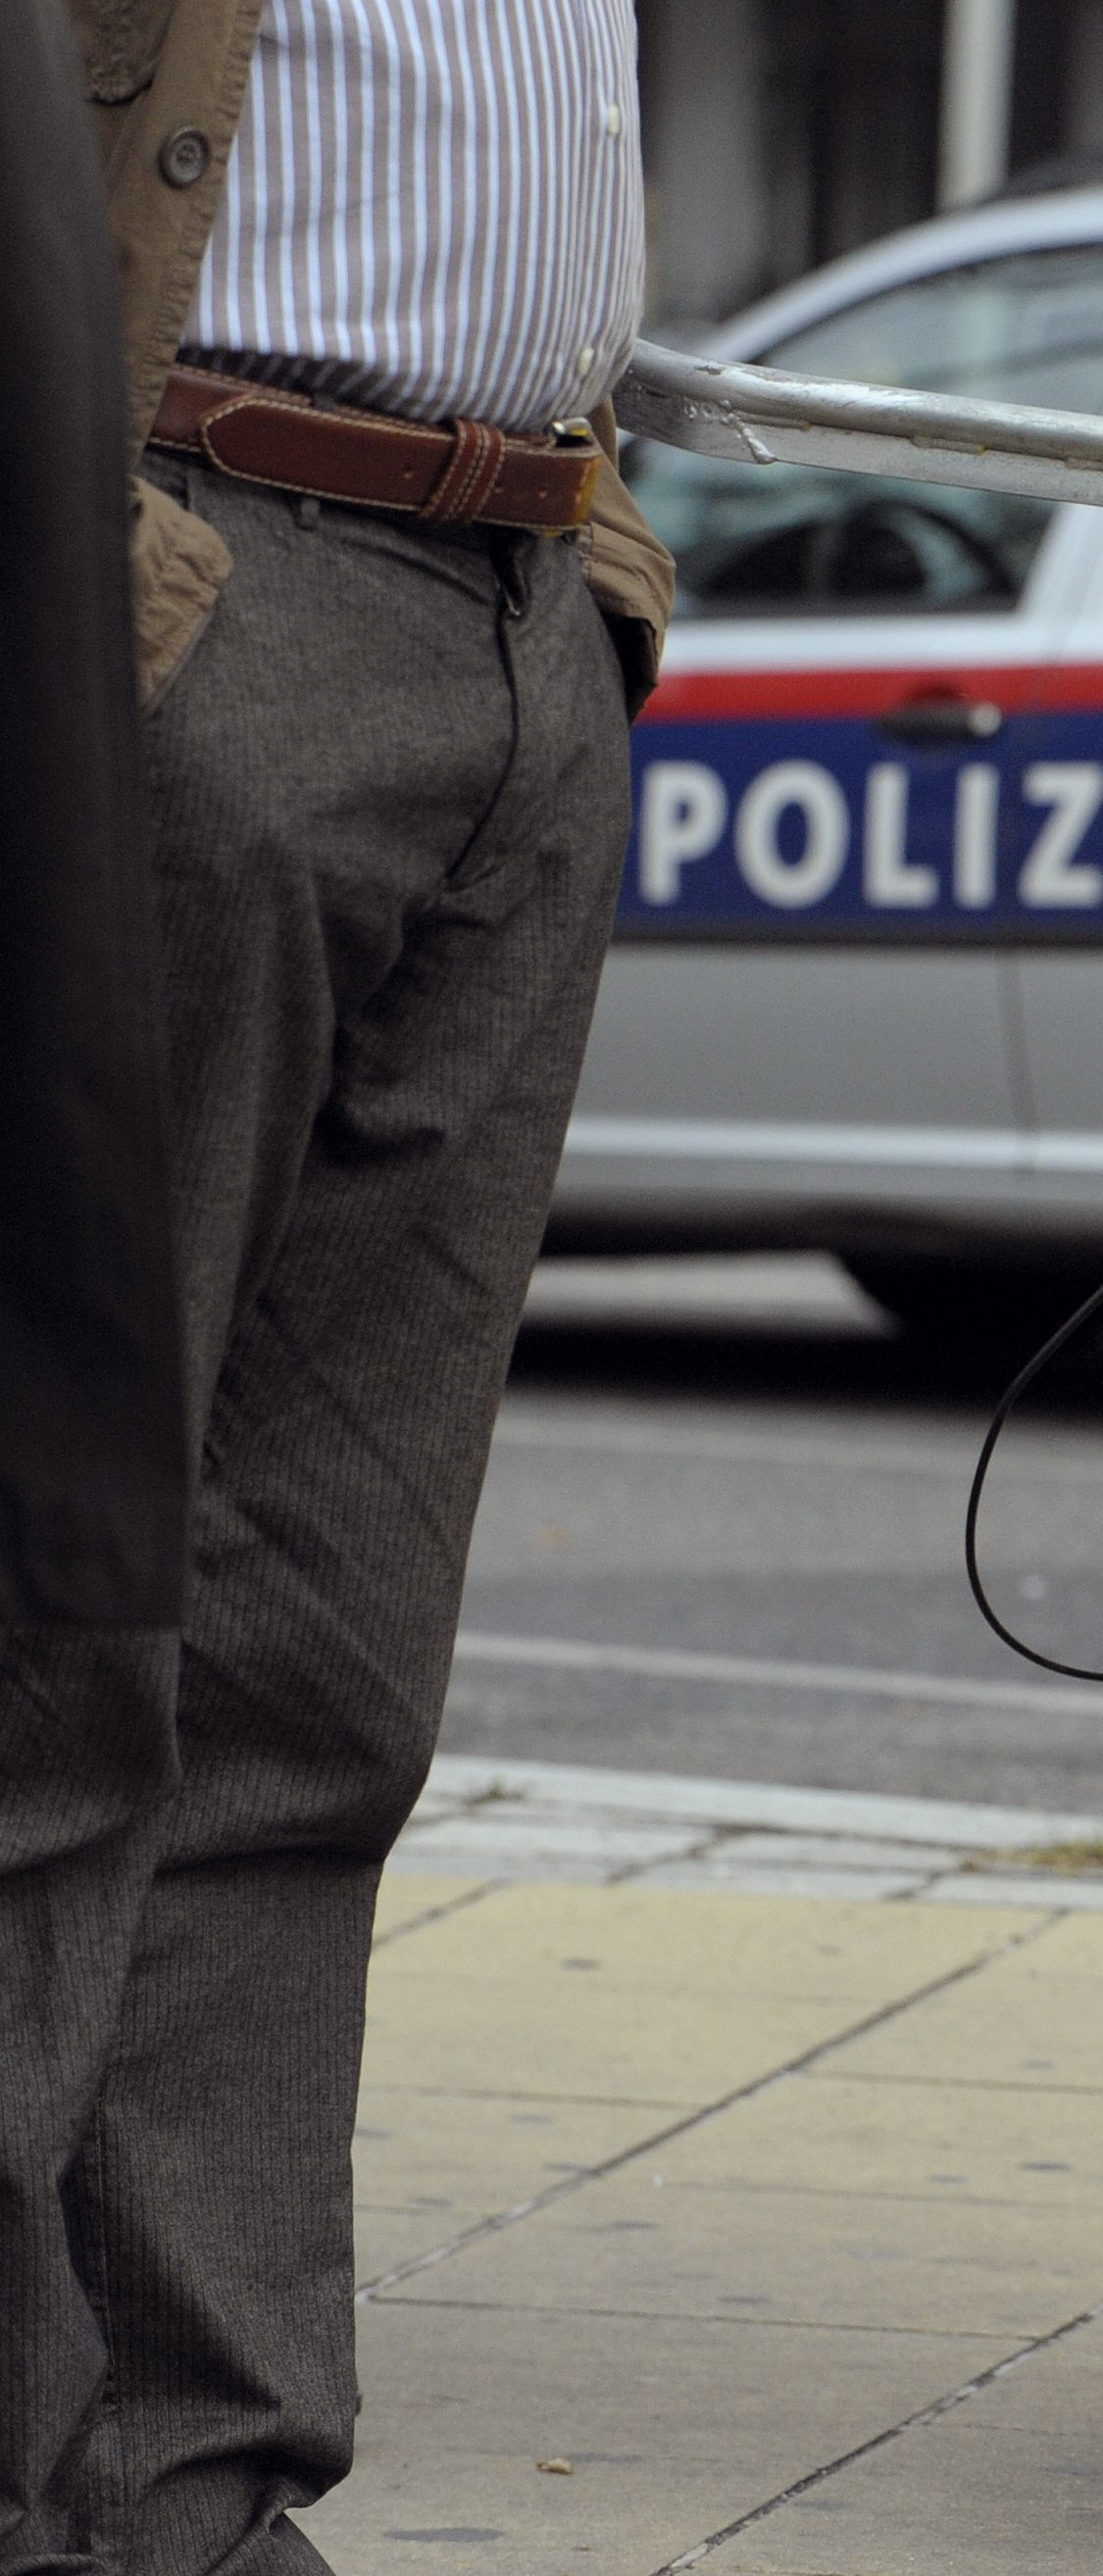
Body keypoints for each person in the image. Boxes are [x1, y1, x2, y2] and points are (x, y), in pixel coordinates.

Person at [5, 3, 673, 2568]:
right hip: (200, 557)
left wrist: (579, 546)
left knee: (318, 1668)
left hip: (507, 603)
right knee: (53, 1616)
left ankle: (188, 2477)